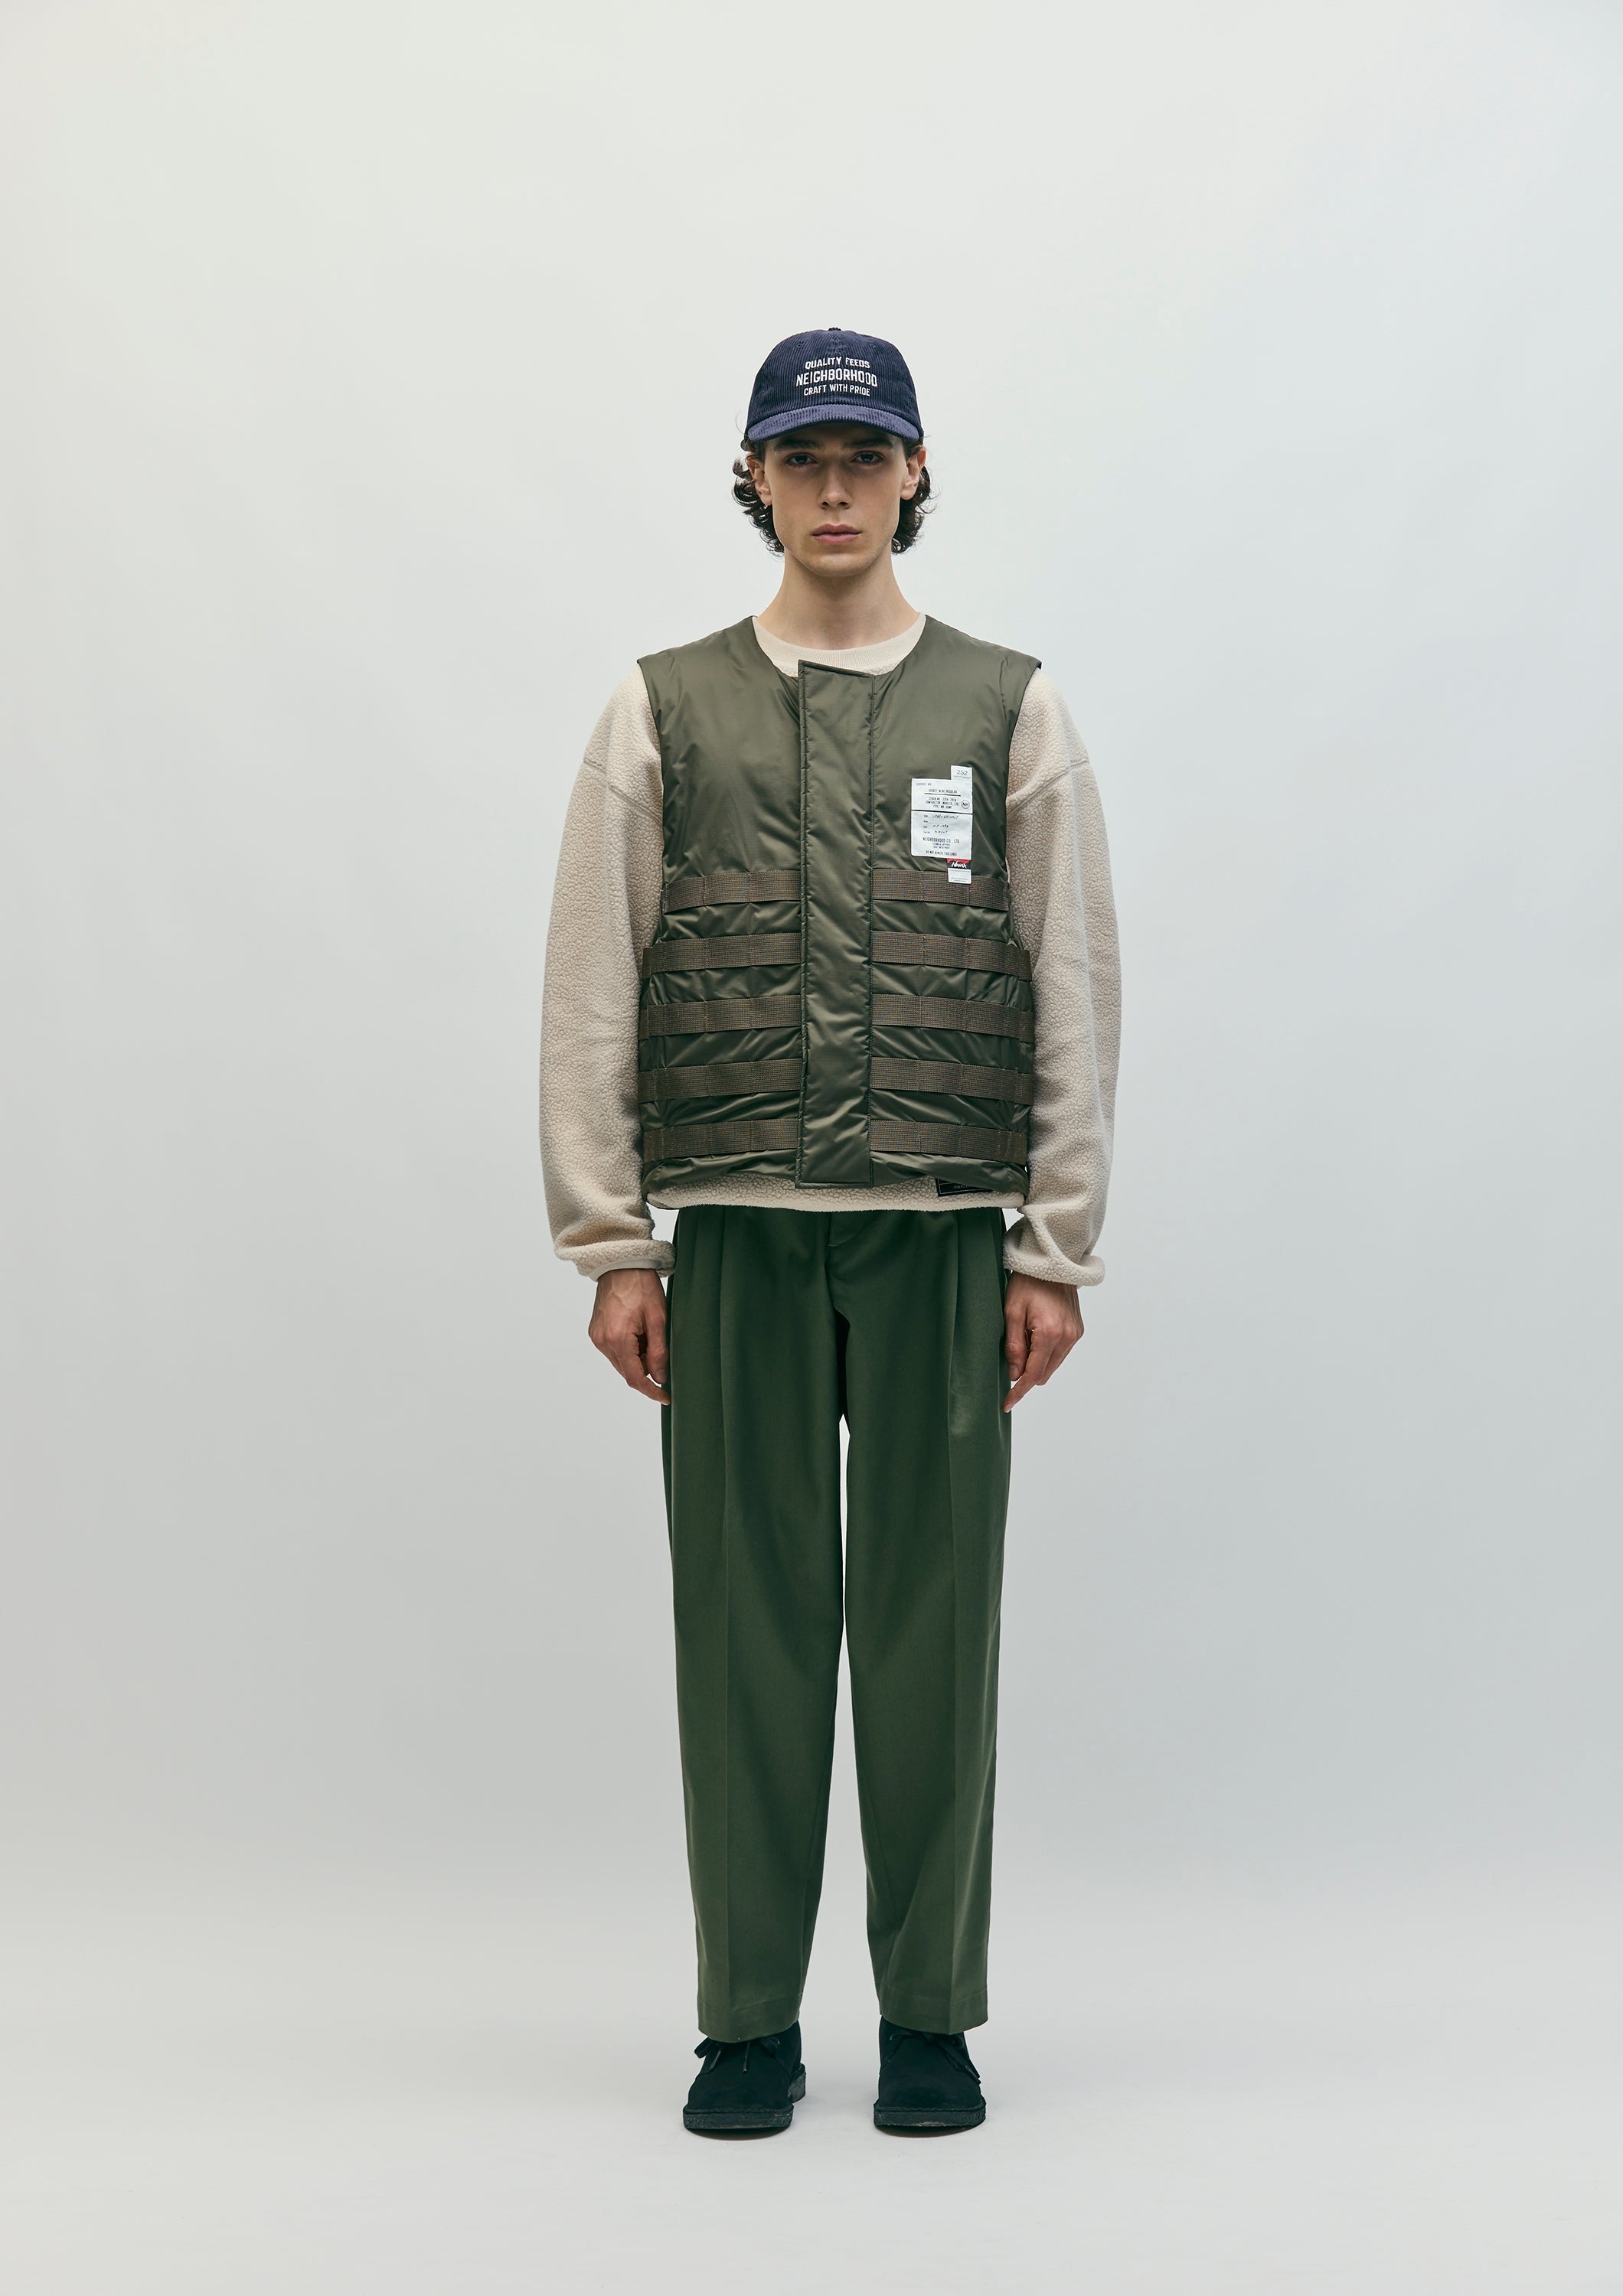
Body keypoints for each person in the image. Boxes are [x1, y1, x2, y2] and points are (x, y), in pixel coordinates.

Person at [540, 327, 1120, 2137]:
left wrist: (1053, 1245)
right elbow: (591, 982)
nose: (837, 487)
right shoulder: (661, 706)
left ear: (917, 473)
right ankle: (748, 2024)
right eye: (803, 457)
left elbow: (1073, 975)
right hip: (736, 1241)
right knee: (746, 1631)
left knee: (936, 1632)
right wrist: (612, 1241)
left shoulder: (1009, 706)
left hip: (942, 1239)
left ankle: (930, 2015)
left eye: (868, 455)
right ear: (755, 478)